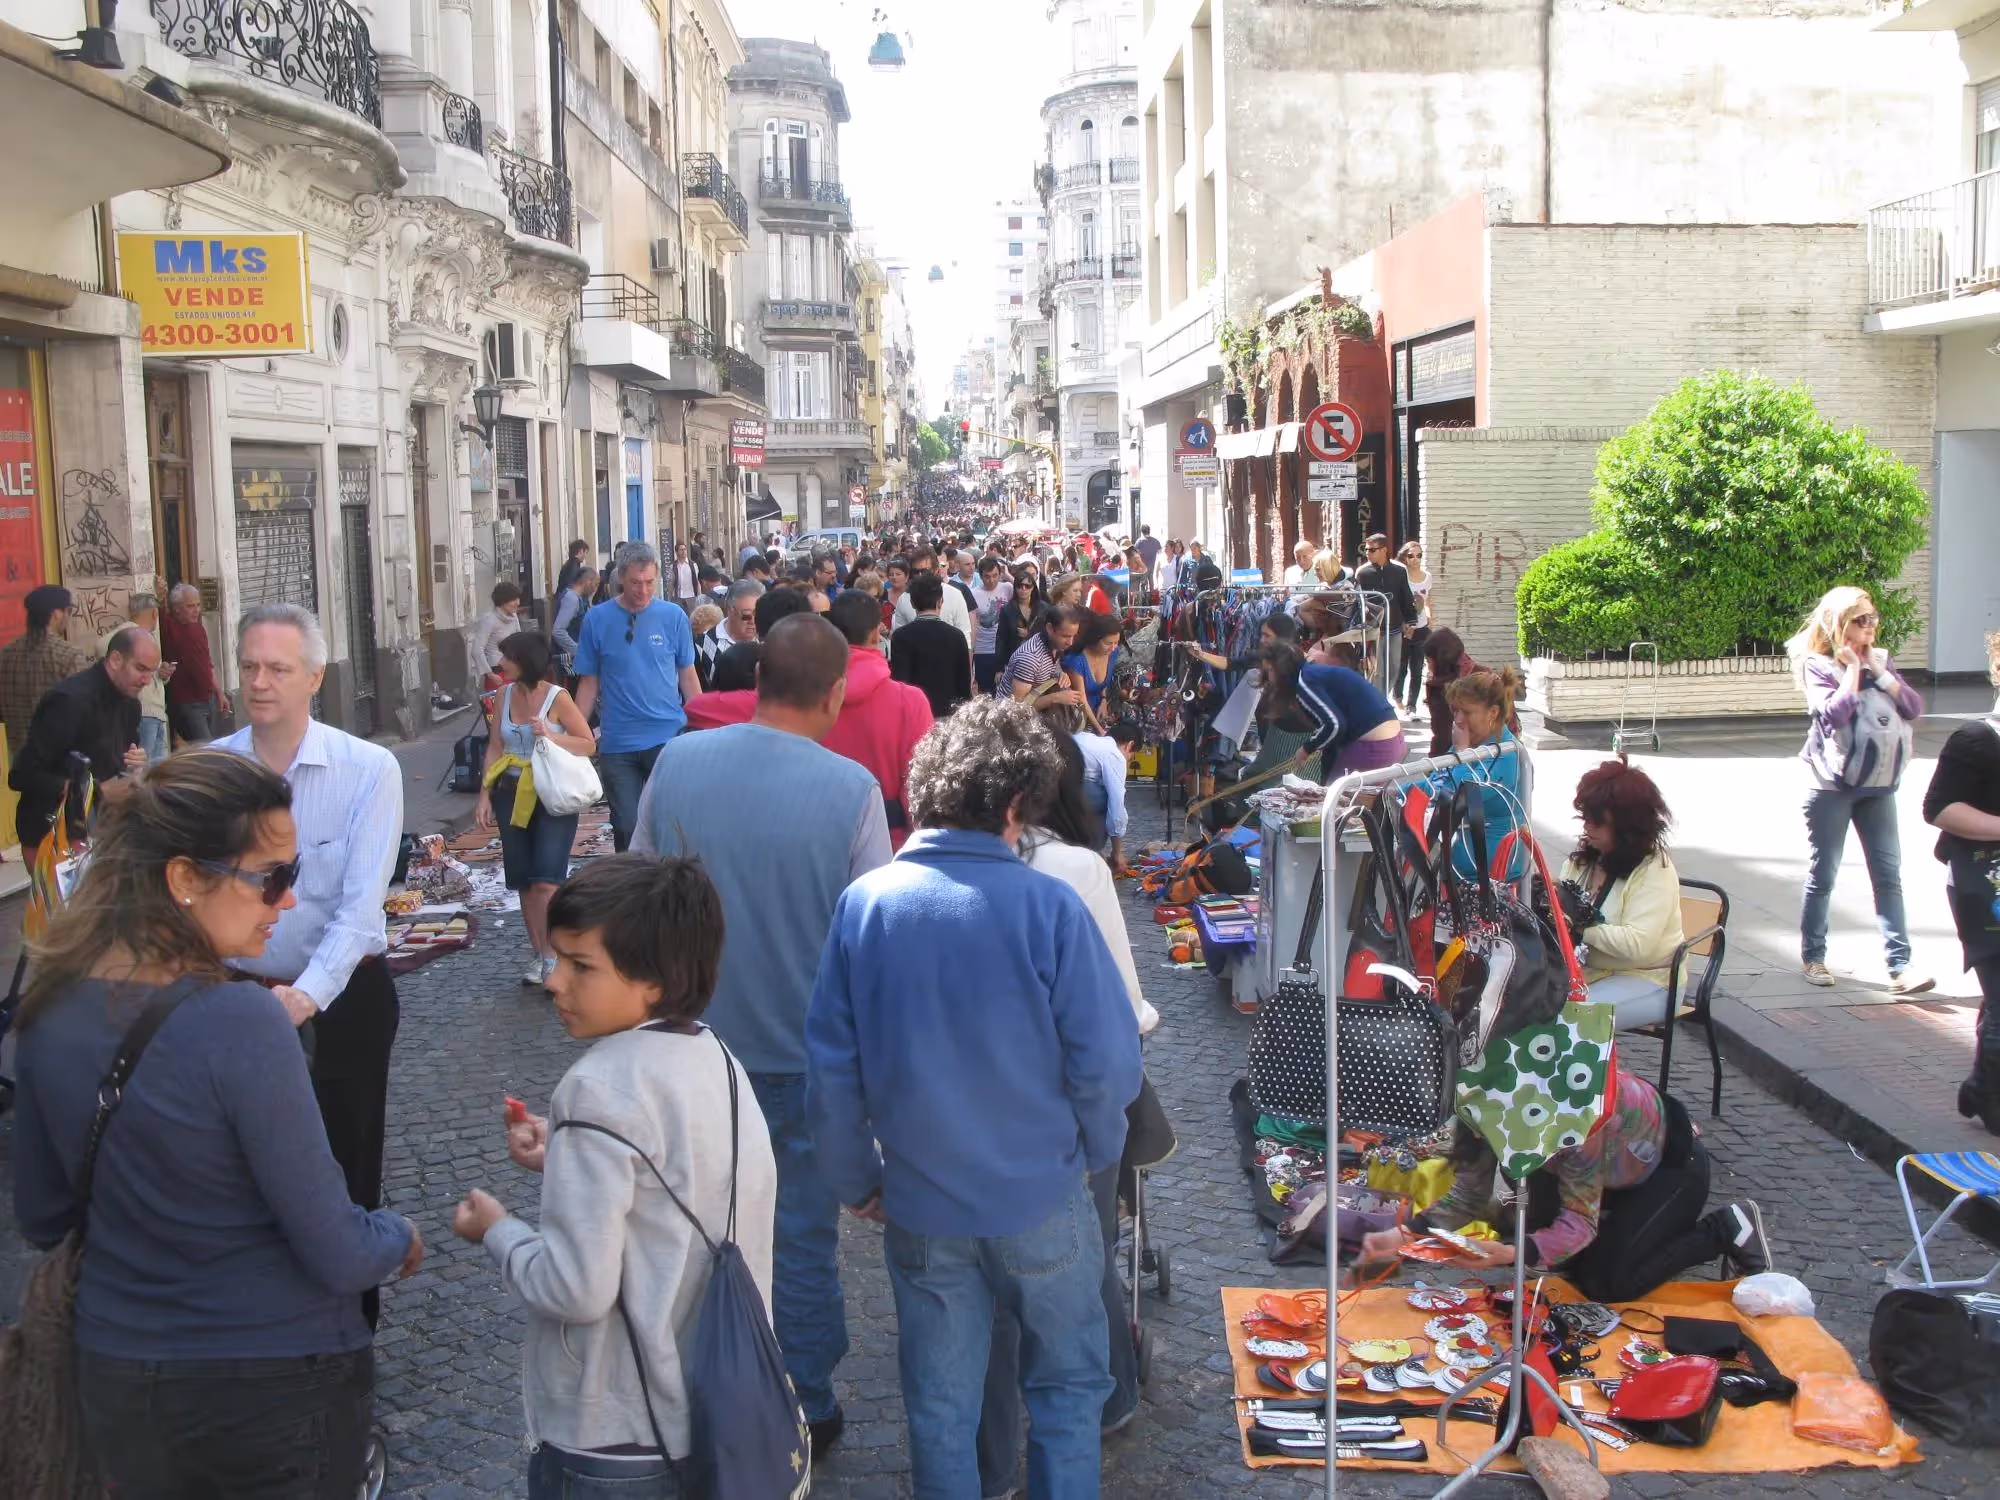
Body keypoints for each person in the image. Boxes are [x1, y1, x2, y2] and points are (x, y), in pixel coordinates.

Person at [9, 750, 419, 1496]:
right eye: (272, 878)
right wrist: (400, 1236)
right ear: (184, 880)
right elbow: (335, 1246)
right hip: (267, 1384)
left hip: (118, 1373)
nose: (288, 903)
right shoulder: (239, 1021)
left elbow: (42, 1215)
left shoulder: (47, 1011)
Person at [806, 699, 1142, 1499]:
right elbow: (1108, 1063)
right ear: (1018, 805)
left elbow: (832, 1075)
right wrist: (1090, 1154)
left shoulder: (867, 906)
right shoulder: (1050, 906)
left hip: (923, 1201)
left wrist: (859, 1182)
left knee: (941, 1406)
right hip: (1043, 1192)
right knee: (1064, 1392)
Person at [632, 614, 889, 1457]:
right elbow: (871, 938)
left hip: (687, 1045)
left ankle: (690, 1394)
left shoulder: (676, 762)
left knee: (694, 1228)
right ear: (834, 694)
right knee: (803, 1238)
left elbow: (635, 894)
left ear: (756, 683)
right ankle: (804, 1400)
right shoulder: (849, 789)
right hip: (801, 1057)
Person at [451, 855, 776, 1499]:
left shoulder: (598, 1087)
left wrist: (498, 1230)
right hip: (708, 1408)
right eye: (557, 959)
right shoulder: (714, 1053)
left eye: (581, 965)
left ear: (654, 979)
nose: (554, 983)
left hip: (614, 1426)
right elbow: (684, 1180)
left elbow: (574, 1289)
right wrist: (564, 1157)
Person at [979, 729, 1159, 1487]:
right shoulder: (1074, 869)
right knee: (1081, 1262)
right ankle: (1109, 1399)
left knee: (985, 1304)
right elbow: (1121, 1011)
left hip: (974, 1118)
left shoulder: (906, 874)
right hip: (1066, 1109)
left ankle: (993, 1464)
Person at [218, 603, 404, 1329]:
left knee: (344, 1164)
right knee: (242, 1168)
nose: (259, 683)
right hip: (235, 997)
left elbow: (361, 909)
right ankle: (260, 1322)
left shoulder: (368, 770)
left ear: (315, 677)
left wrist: (304, 998)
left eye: (277, 669)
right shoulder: (214, 769)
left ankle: (347, 1330)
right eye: (249, 667)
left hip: (343, 1001)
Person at [1358, 1069, 1768, 1303]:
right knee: (1558, 1261)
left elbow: (1578, 1223)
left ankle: (1728, 1228)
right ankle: (1624, 1232)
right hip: (1602, 1168)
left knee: (1607, 1283)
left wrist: (1507, 1252)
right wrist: (1402, 1234)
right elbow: (1469, 1194)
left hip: (1669, 1172)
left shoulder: (1576, 1128)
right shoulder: (1481, 1107)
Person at [688, 593, 933, 850]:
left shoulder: (792, 688)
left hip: (801, 843)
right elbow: (920, 792)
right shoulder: (910, 702)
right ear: (875, 634)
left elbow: (713, 710)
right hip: (890, 849)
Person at [1789, 586, 1931, 994]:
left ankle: (1900, 966)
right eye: (1861, 620)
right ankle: (1814, 956)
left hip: (1879, 785)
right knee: (1824, 874)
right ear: (1839, 624)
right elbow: (1834, 714)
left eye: (1873, 618)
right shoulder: (1816, 665)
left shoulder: (1882, 661)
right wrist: (1851, 670)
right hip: (1831, 786)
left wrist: (1878, 673)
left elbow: (1913, 708)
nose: (1870, 626)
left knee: (1888, 874)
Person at [474, 632, 598, 987]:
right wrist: (484, 794)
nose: (501, 663)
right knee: (525, 883)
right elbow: (495, 747)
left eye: (507, 657)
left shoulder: (557, 698)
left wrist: (550, 734)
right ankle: (540, 953)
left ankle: (555, 955)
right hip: (510, 791)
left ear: (525, 660)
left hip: (550, 793)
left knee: (547, 881)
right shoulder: (503, 693)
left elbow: (587, 743)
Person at [573, 542, 700, 853]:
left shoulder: (673, 616)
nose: (643, 590)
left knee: (671, 823)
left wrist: (700, 724)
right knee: (626, 826)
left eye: (649, 582)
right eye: (634, 583)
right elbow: (589, 682)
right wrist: (576, 732)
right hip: (619, 743)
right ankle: (629, 895)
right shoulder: (597, 619)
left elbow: (687, 674)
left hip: (667, 738)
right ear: (620, 579)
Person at [1924, 630, 2000, 1134]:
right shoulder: (1979, 738)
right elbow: (1940, 809)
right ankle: (1992, 1101)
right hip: (1983, 884)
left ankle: (1979, 1088)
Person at [1561, 760, 1686, 1031]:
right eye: (1585, 818)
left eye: (1598, 821)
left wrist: (1577, 927)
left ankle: (1589, 1073)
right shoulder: (1584, 861)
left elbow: (1638, 945)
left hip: (1649, 978)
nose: (1587, 827)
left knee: (1573, 1019)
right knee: (1524, 1008)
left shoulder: (1655, 868)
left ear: (1626, 825)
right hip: (1585, 973)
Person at [9, 626, 156, 855]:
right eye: (140, 669)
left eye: (152, 672)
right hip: (53, 835)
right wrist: (97, 791)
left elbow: (118, 762)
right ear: (116, 659)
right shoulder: (70, 700)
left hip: (104, 832)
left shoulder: (130, 703)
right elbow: (22, 774)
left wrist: (135, 762)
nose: (147, 680)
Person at [1256, 638, 1403, 785]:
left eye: (1269, 670)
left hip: (1373, 746)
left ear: (1281, 668)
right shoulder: (1314, 673)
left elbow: (1334, 725)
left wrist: (1307, 749)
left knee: (1335, 802)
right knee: (1340, 797)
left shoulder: (1305, 680)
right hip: (1392, 741)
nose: (1269, 677)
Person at [1431, 666, 1529, 881]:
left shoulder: (1506, 754)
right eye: (1455, 710)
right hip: (1463, 871)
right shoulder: (1473, 743)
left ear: (1493, 713)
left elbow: (1455, 795)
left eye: (1466, 712)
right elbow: (1434, 785)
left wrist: (1463, 754)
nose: (1458, 720)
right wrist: (1389, 790)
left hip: (1492, 877)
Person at [0, 582, 86, 761]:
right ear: (56, 614)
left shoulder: (5, 655)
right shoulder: (69, 656)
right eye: (68, 611)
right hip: (60, 761)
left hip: (19, 760)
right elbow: (83, 713)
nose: (69, 617)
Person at [891, 573, 974, 718]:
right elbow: (964, 685)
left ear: (912, 603)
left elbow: (900, 682)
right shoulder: (956, 636)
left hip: (915, 715)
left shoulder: (900, 636)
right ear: (940, 601)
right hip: (949, 716)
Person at [103, 594, 171, 764]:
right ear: (154, 613)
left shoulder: (146, 637)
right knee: (143, 769)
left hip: (154, 712)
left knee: (155, 769)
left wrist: (162, 673)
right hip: (144, 711)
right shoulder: (129, 633)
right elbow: (101, 646)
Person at [160, 582, 229, 745]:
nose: (196, 610)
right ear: (177, 608)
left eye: (198, 605)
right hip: (188, 704)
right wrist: (160, 596)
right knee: (206, 752)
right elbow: (158, 613)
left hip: (208, 699)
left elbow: (207, 663)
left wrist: (219, 692)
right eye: (190, 606)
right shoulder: (170, 628)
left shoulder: (198, 629)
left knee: (215, 746)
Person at [1355, 533, 1417, 701]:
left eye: (1372, 550)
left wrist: (1411, 621)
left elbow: (1406, 596)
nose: (1368, 553)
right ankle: (1380, 703)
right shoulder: (1362, 573)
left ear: (1384, 550)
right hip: (1374, 630)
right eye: (1366, 550)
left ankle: (1382, 699)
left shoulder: (1398, 571)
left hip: (1395, 628)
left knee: (1394, 667)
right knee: (1378, 670)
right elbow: (1358, 601)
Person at [1006, 603, 1087, 724]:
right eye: (1065, 636)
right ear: (1049, 628)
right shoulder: (1030, 658)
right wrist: (1056, 698)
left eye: (1073, 636)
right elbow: (1016, 711)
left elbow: (1049, 668)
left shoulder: (1054, 644)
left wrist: (1060, 674)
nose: (1070, 642)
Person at [1423, 628, 1489, 758]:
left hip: (1468, 762)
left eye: (1429, 661)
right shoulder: (1486, 675)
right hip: (1505, 752)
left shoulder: (1442, 689)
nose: (1429, 667)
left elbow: (1443, 737)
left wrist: (1433, 769)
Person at [1063, 610, 1126, 734]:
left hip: (1099, 710)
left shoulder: (1112, 653)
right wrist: (1100, 730)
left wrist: (1103, 700)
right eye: (1108, 643)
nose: (1113, 647)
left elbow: (1103, 684)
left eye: (1116, 643)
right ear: (1095, 638)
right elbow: (1082, 700)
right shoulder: (1076, 661)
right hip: (1078, 717)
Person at [895, 548, 973, 644]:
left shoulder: (955, 595)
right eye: (915, 571)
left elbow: (965, 635)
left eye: (924, 571)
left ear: (936, 570)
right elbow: (899, 638)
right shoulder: (904, 599)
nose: (920, 575)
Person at [695, 579, 762, 691]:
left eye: (758, 614)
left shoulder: (769, 642)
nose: (753, 621)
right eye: (747, 615)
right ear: (731, 611)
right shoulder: (702, 646)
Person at [467, 581, 524, 693]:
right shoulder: (489, 620)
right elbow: (477, 650)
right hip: (497, 673)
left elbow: (520, 643)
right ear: (502, 600)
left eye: (518, 598)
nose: (518, 603)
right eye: (513, 599)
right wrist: (490, 674)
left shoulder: (514, 617)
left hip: (515, 672)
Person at [1395, 541, 1432, 714]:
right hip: (1404, 628)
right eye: (1411, 555)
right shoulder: (1401, 576)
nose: (1415, 559)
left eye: (1419, 555)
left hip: (1422, 627)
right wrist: (1403, 624)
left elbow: (1427, 600)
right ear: (1405, 557)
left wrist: (1430, 615)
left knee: (1417, 668)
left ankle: (1412, 705)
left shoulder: (1427, 577)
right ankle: (1397, 697)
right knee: (1401, 667)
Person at [994, 567, 1043, 678]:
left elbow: (1050, 633)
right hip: (1014, 660)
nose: (1023, 589)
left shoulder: (1043, 608)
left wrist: (1029, 633)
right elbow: (1001, 639)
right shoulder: (1007, 609)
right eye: (1019, 586)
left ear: (1033, 588)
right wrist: (999, 669)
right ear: (1015, 588)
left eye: (1027, 586)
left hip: (1039, 661)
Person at [551, 565, 596, 678]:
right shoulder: (571, 599)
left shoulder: (576, 598)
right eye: (595, 584)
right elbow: (558, 631)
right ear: (587, 581)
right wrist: (577, 650)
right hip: (567, 660)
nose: (595, 589)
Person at [668, 540, 700, 609]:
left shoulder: (693, 565)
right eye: (681, 550)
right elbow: (671, 583)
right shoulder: (673, 566)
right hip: (678, 597)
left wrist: (699, 597)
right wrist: (669, 598)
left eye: (685, 549)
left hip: (691, 597)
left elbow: (697, 582)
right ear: (677, 552)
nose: (684, 552)